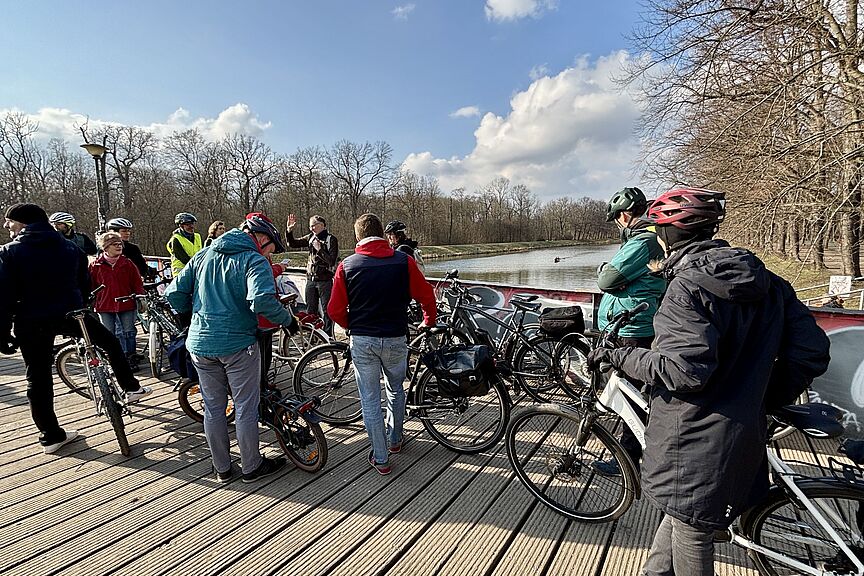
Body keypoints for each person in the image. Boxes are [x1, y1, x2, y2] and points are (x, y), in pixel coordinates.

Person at [586, 188, 830, 575]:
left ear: (666, 236)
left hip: (695, 434)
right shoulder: (769, 281)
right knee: (686, 513)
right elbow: (812, 351)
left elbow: (684, 371)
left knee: (692, 530)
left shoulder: (685, 289)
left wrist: (620, 356)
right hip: (740, 432)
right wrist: (759, 397)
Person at [0, 203, 151, 454]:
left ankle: (51, 436)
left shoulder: (9, 252)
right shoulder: (70, 247)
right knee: (110, 342)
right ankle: (130, 386)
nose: (7, 226)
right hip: (72, 314)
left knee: (37, 379)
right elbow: (84, 285)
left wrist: (3, 332)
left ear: (23, 223)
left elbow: (2, 297)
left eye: (9, 221)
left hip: (31, 320)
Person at [165, 212, 299, 484]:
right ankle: (251, 467)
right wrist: (288, 320)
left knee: (214, 409)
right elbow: (261, 301)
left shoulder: (205, 254)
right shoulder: (253, 260)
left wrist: (196, 315)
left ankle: (222, 469)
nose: (270, 253)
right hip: (237, 344)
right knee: (245, 406)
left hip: (200, 344)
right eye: (272, 248)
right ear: (261, 239)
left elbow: (174, 293)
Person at [328, 213, 436, 475]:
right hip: (396, 337)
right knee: (396, 389)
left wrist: (349, 325)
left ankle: (380, 457)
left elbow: (334, 309)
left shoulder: (348, 265)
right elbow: (426, 295)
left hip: (363, 339)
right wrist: (428, 319)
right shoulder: (403, 261)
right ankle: (396, 440)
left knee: (370, 399)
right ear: (382, 234)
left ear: (358, 237)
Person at [592, 187, 666, 476]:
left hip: (631, 326)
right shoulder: (652, 237)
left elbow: (607, 279)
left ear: (624, 215)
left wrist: (607, 272)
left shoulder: (642, 242)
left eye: (616, 220)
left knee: (629, 390)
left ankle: (626, 458)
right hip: (636, 322)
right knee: (633, 388)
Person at [90, 231, 145, 372]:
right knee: (110, 334)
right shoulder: (96, 265)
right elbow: (90, 285)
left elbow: (137, 282)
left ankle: (130, 356)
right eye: (114, 244)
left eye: (120, 244)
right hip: (104, 305)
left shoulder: (127, 263)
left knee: (129, 331)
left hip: (126, 303)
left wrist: (140, 296)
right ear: (105, 247)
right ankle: (115, 359)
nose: (119, 246)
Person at [285, 213, 339, 335]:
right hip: (311, 279)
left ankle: (328, 336)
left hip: (325, 280)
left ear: (322, 225)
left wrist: (320, 249)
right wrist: (289, 230)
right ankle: (313, 336)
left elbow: (332, 260)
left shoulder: (331, 239)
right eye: (310, 226)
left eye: (313, 226)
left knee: (327, 311)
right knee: (311, 311)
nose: (312, 229)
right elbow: (292, 244)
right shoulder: (311, 237)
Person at [166, 212, 203, 277]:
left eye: (192, 224)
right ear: (181, 226)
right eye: (188, 225)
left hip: (195, 271)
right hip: (181, 273)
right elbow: (184, 259)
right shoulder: (175, 240)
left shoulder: (197, 236)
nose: (191, 227)